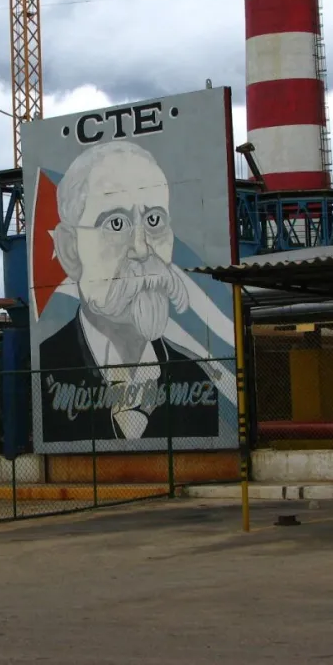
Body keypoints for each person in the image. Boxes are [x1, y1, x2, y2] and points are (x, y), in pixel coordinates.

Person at [40, 140, 219, 444]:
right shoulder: (45, 366)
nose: (140, 248)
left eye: (154, 220)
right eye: (117, 223)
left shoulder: (197, 380)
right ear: (70, 250)